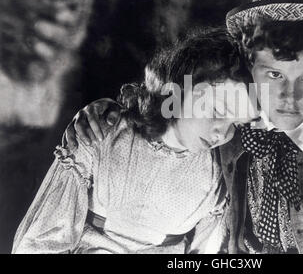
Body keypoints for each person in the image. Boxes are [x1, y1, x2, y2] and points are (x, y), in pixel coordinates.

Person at [63, 0, 303, 253]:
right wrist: (106, 113)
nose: (290, 97)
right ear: (249, 62)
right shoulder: (227, 120)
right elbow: (168, 98)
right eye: (274, 74)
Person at [12, 28, 260, 254]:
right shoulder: (102, 135)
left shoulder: (216, 172)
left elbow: (205, 250)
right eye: (217, 112)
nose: (221, 134)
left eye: (235, 124)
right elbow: (40, 242)